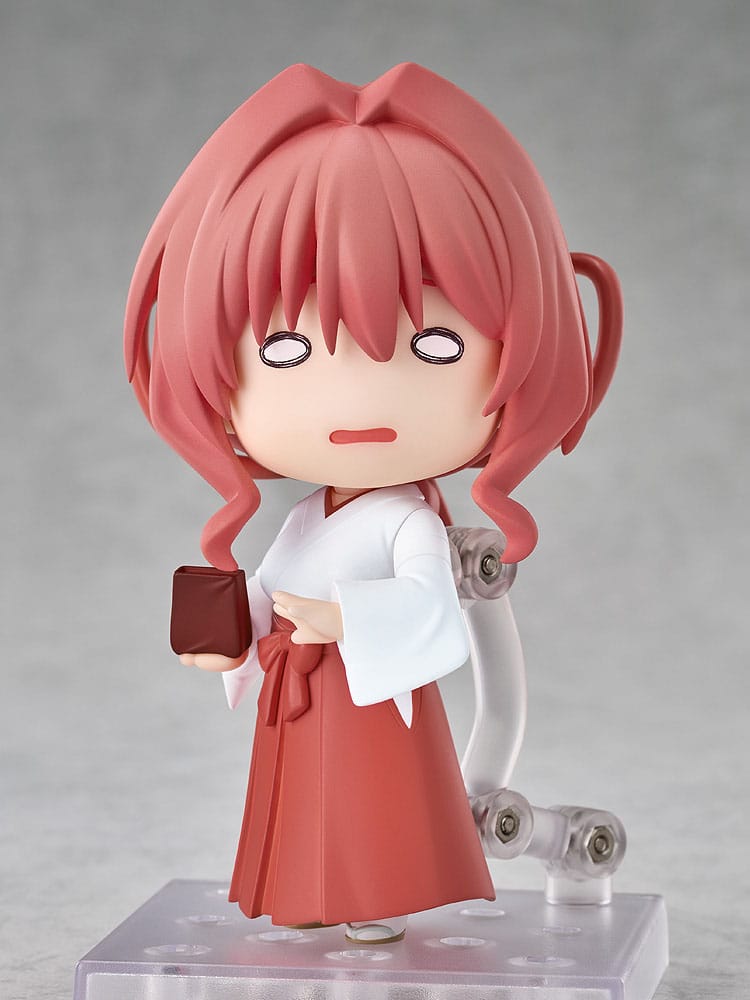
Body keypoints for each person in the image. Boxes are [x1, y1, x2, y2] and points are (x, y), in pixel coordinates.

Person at [124, 63, 622, 943]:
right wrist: (228, 633)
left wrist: (346, 619)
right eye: (284, 353)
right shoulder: (303, 521)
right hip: (305, 694)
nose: (356, 396)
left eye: (435, 347)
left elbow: (433, 605)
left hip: (370, 700)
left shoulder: (408, 521)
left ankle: (372, 904)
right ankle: (309, 897)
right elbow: (268, 590)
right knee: (302, 801)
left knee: (372, 804)